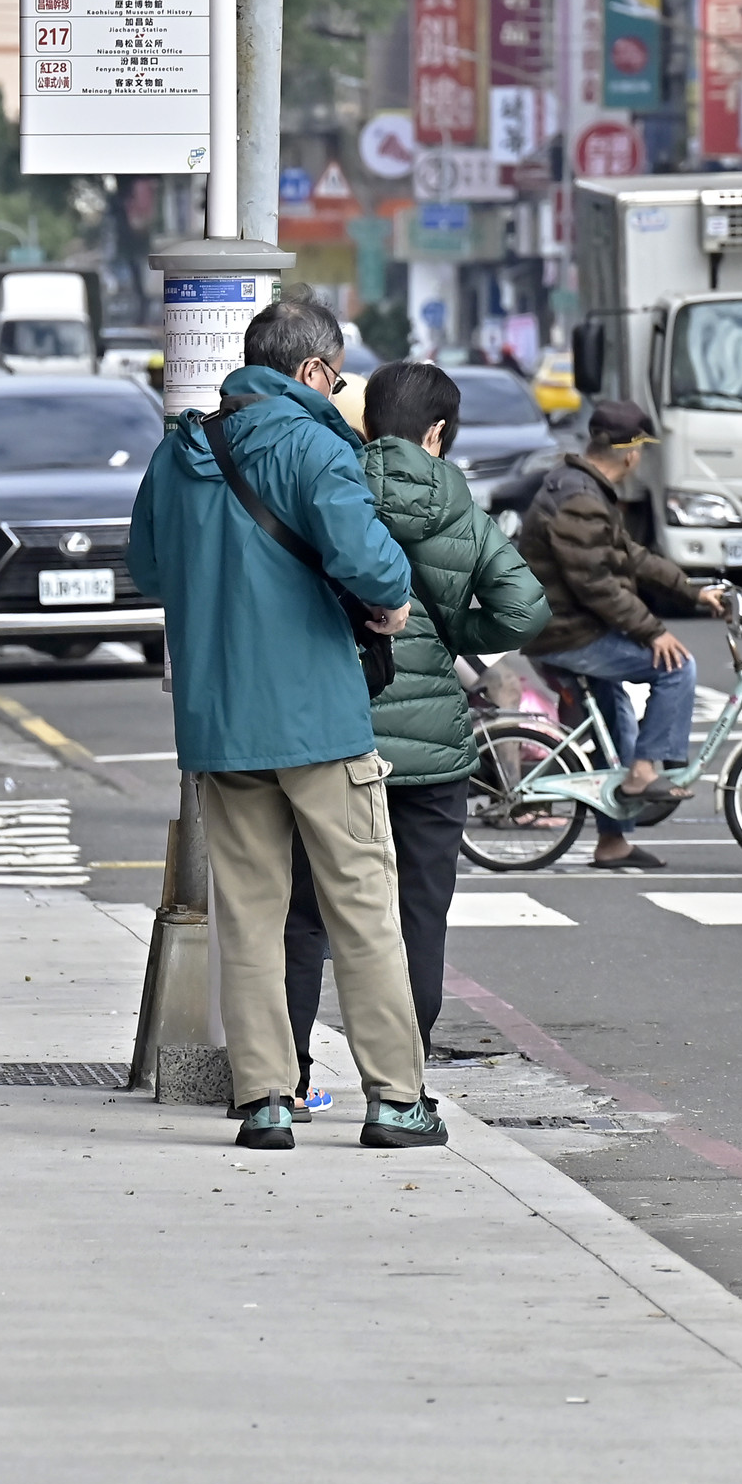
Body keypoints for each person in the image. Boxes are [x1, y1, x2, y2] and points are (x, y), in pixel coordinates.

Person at [127, 298, 447, 1153]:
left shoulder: (181, 450)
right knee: (363, 909)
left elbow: (149, 566)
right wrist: (390, 605)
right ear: (309, 371)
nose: (338, 391)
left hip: (220, 722)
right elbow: (370, 561)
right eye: (335, 377)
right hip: (317, 720)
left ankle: (264, 1098)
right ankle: (396, 1099)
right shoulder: (314, 446)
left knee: (252, 913)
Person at [282, 360, 548, 1108]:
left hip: (337, 736)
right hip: (431, 758)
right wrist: (457, 627)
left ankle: (290, 1075)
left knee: (305, 913)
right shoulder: (458, 505)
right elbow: (524, 612)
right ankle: (402, 1080)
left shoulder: (330, 483)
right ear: (437, 432)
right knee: (416, 918)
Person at [520, 398, 725, 872]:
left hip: (567, 628)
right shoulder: (580, 500)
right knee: (676, 667)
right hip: (564, 634)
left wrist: (694, 593)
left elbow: (629, 557)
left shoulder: (585, 490)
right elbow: (597, 584)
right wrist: (653, 632)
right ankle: (645, 772)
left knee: (617, 727)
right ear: (630, 453)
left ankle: (613, 842)